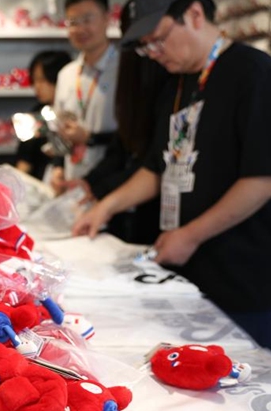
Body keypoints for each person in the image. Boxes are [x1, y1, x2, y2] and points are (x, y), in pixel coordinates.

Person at [72, 0, 271, 354]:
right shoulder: (177, 86)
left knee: (252, 386)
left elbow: (267, 177)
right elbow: (157, 168)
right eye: (146, 45)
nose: (153, 53)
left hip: (247, 276)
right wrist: (105, 207)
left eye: (158, 39)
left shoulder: (254, 73)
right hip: (192, 273)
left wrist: (190, 235)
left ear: (194, 14)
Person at [70, 0, 168, 244]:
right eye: (73, 22)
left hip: (152, 208)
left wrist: (102, 193)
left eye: (87, 19)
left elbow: (155, 162)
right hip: (124, 199)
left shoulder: (159, 70)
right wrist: (92, 183)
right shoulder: (133, 62)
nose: (151, 49)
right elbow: (126, 141)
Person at [51, 0, 119, 190]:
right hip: (73, 181)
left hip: (113, 184)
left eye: (87, 19)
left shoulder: (125, 71)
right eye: (73, 22)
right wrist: (58, 168)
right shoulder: (66, 74)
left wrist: (90, 138)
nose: (80, 29)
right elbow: (59, 128)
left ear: (107, 18)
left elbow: (135, 137)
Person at [15, 50, 71, 180]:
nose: (37, 86)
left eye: (42, 80)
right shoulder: (36, 114)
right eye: (34, 80)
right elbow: (24, 160)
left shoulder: (72, 114)